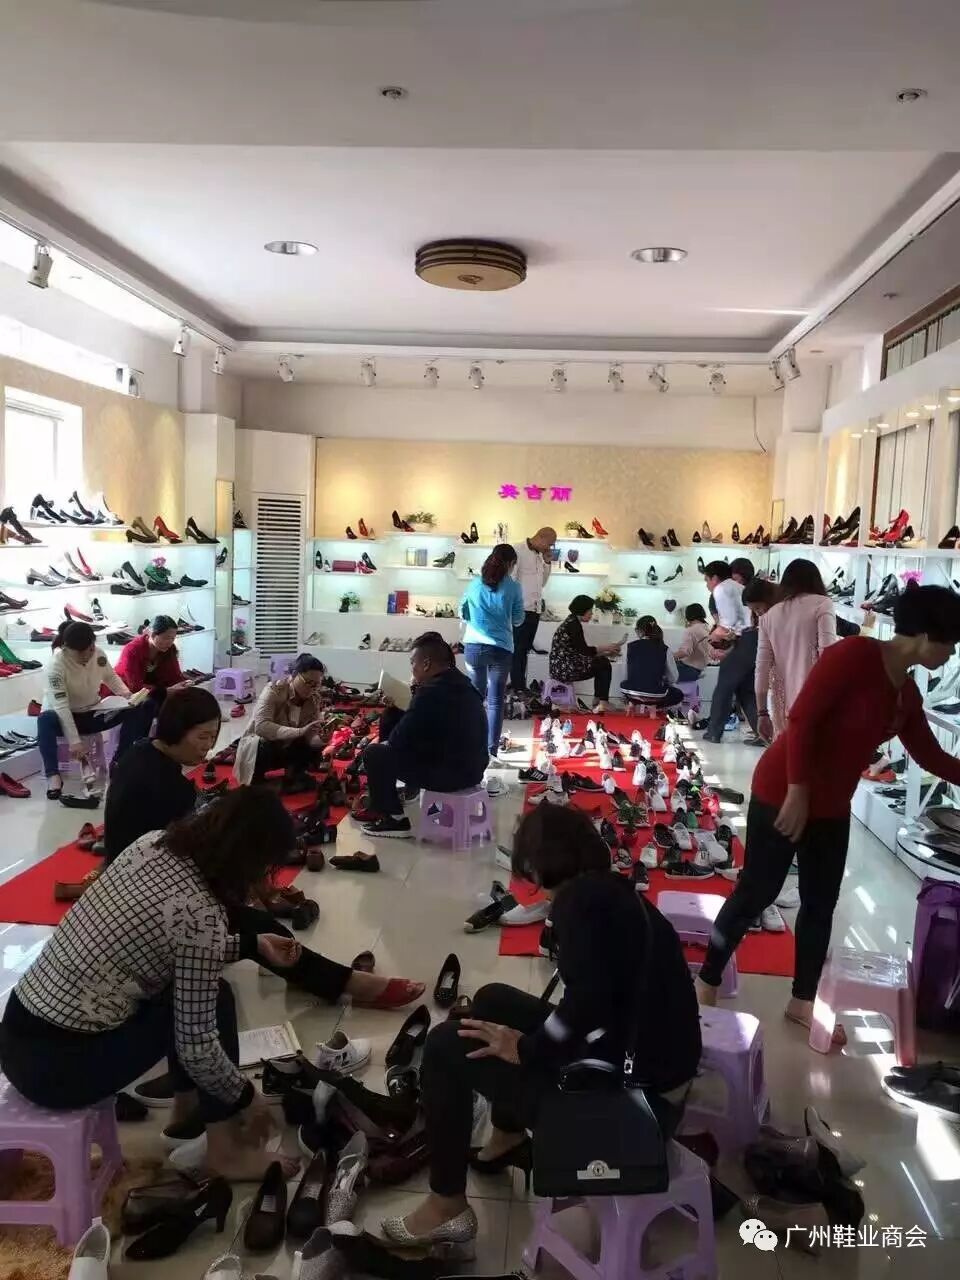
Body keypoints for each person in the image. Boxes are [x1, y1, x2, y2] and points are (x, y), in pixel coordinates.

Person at [381, 804, 702, 1252]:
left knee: (443, 1047)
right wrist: (531, 1044)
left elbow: (582, 1007)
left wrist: (528, 1050)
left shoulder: (579, 908)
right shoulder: (609, 891)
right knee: (491, 1001)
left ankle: (445, 1204)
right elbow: (593, 1004)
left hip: (635, 1106)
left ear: (537, 866)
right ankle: (507, 1136)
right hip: (651, 1067)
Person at [696, 585, 960, 1046]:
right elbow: (802, 720)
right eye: (951, 642)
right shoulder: (855, 656)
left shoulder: (906, 694)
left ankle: (802, 1000)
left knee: (820, 904)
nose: (952, 652)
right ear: (926, 635)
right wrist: (798, 793)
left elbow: (931, 755)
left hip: (832, 807)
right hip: (782, 789)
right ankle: (708, 979)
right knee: (757, 892)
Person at [0, 788, 305, 1182]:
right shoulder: (201, 911)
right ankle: (226, 1150)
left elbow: (174, 946)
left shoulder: (152, 845)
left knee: (188, 990)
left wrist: (253, 944)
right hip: (60, 1071)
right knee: (213, 1002)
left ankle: (187, 1114)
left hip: (17, 1037)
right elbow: (197, 1046)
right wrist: (246, 1097)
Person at [103, 686, 422, 1010]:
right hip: (145, 894)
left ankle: (296, 959)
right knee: (252, 923)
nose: (209, 746)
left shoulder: (140, 753)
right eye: (202, 737)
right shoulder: (167, 786)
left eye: (213, 737)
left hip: (127, 878)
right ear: (175, 730)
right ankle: (348, 983)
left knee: (244, 909)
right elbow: (183, 858)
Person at [361, 632, 488, 839]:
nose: (412, 669)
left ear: (426, 664)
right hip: (473, 769)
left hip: (450, 775)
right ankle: (406, 790)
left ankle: (393, 818)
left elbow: (397, 741)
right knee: (393, 715)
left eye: (413, 663)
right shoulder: (465, 685)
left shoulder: (430, 692)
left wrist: (404, 709)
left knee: (375, 753)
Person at [38, 620, 147, 800]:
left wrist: (127, 695)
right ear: (66, 648)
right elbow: (61, 706)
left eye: (89, 650)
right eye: (79, 653)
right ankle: (53, 776)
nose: (85, 656)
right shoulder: (55, 665)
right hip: (63, 717)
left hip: (91, 714)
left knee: (137, 708)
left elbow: (110, 677)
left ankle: (119, 761)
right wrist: (75, 742)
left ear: (93, 645)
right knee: (44, 720)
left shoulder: (98, 654)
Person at [756, 558, 838, 741]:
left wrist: (762, 713)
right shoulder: (823, 604)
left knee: (788, 752)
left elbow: (761, 668)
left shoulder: (769, 616)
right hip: (815, 700)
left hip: (782, 705)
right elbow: (829, 655)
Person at [461, 543, 525, 757]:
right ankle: (491, 751)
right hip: (501, 648)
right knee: (496, 702)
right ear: (511, 564)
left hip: (474, 646)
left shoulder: (474, 584)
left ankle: (470, 746)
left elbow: (462, 611)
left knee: (474, 699)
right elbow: (518, 619)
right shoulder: (513, 587)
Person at [233, 653, 330, 787]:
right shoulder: (273, 690)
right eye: (308, 683)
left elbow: (310, 737)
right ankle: (258, 780)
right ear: (294, 675)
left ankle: (294, 774)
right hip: (262, 748)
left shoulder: (314, 699)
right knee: (263, 744)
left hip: (286, 748)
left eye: (316, 685)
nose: (312, 689)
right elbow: (261, 727)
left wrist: (322, 739)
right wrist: (300, 731)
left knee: (312, 744)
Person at [702, 576, 777, 744]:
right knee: (746, 690)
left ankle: (714, 731)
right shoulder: (768, 607)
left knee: (725, 686)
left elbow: (733, 627)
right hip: (753, 643)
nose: (756, 612)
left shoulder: (724, 592)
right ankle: (764, 734)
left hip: (751, 641)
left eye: (757, 608)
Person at [548, 595, 621, 712]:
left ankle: (599, 700)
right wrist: (606, 647)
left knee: (602, 662)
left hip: (562, 665)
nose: (591, 614)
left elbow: (581, 652)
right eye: (590, 610)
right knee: (604, 664)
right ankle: (602, 702)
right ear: (583, 610)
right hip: (565, 668)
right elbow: (584, 651)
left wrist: (606, 653)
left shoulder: (571, 621)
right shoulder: (574, 625)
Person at [510, 527, 556, 694]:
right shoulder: (518, 550)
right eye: (549, 544)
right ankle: (517, 687)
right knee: (518, 650)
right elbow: (511, 580)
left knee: (524, 650)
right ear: (541, 538)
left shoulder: (539, 556)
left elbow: (542, 583)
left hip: (535, 610)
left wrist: (547, 563)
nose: (549, 548)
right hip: (521, 609)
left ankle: (520, 685)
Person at [114, 614, 190, 713]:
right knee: (153, 705)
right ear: (153, 634)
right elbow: (135, 686)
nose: (170, 642)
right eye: (166, 638)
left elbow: (175, 675)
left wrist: (184, 684)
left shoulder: (170, 649)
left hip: (152, 690)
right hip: (126, 693)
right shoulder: (132, 650)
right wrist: (165, 691)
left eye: (173, 638)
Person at [620, 616, 683, 708]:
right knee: (678, 694)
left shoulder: (629, 646)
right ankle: (654, 708)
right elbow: (674, 678)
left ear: (639, 631)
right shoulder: (664, 649)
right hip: (656, 695)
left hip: (631, 693)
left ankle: (644, 705)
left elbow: (625, 675)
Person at [674, 603, 712, 682]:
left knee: (659, 671)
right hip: (701, 668)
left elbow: (685, 652)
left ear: (688, 615)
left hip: (689, 669)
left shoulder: (691, 630)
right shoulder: (707, 628)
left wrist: (669, 657)